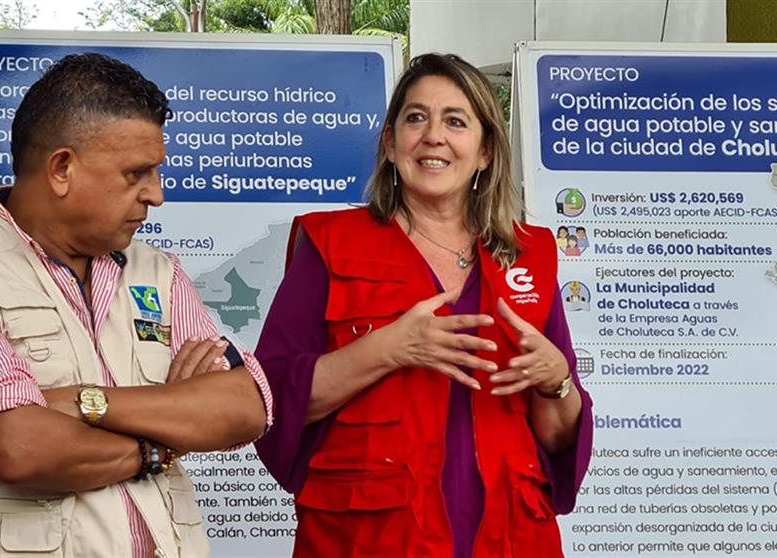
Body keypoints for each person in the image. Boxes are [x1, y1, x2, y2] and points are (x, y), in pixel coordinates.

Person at [0, 53, 272, 558]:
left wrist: (84, 401)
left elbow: (242, 407)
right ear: (61, 168)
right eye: (136, 173)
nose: (157, 194)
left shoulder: (157, 272)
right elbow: (22, 448)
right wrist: (163, 441)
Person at [254, 53, 592, 558]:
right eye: (416, 118)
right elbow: (268, 401)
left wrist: (557, 381)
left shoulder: (529, 255)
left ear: (484, 152)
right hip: (369, 537)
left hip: (511, 536)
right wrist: (387, 350)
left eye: (456, 121)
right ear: (390, 143)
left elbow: (557, 434)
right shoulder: (329, 245)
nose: (434, 135)